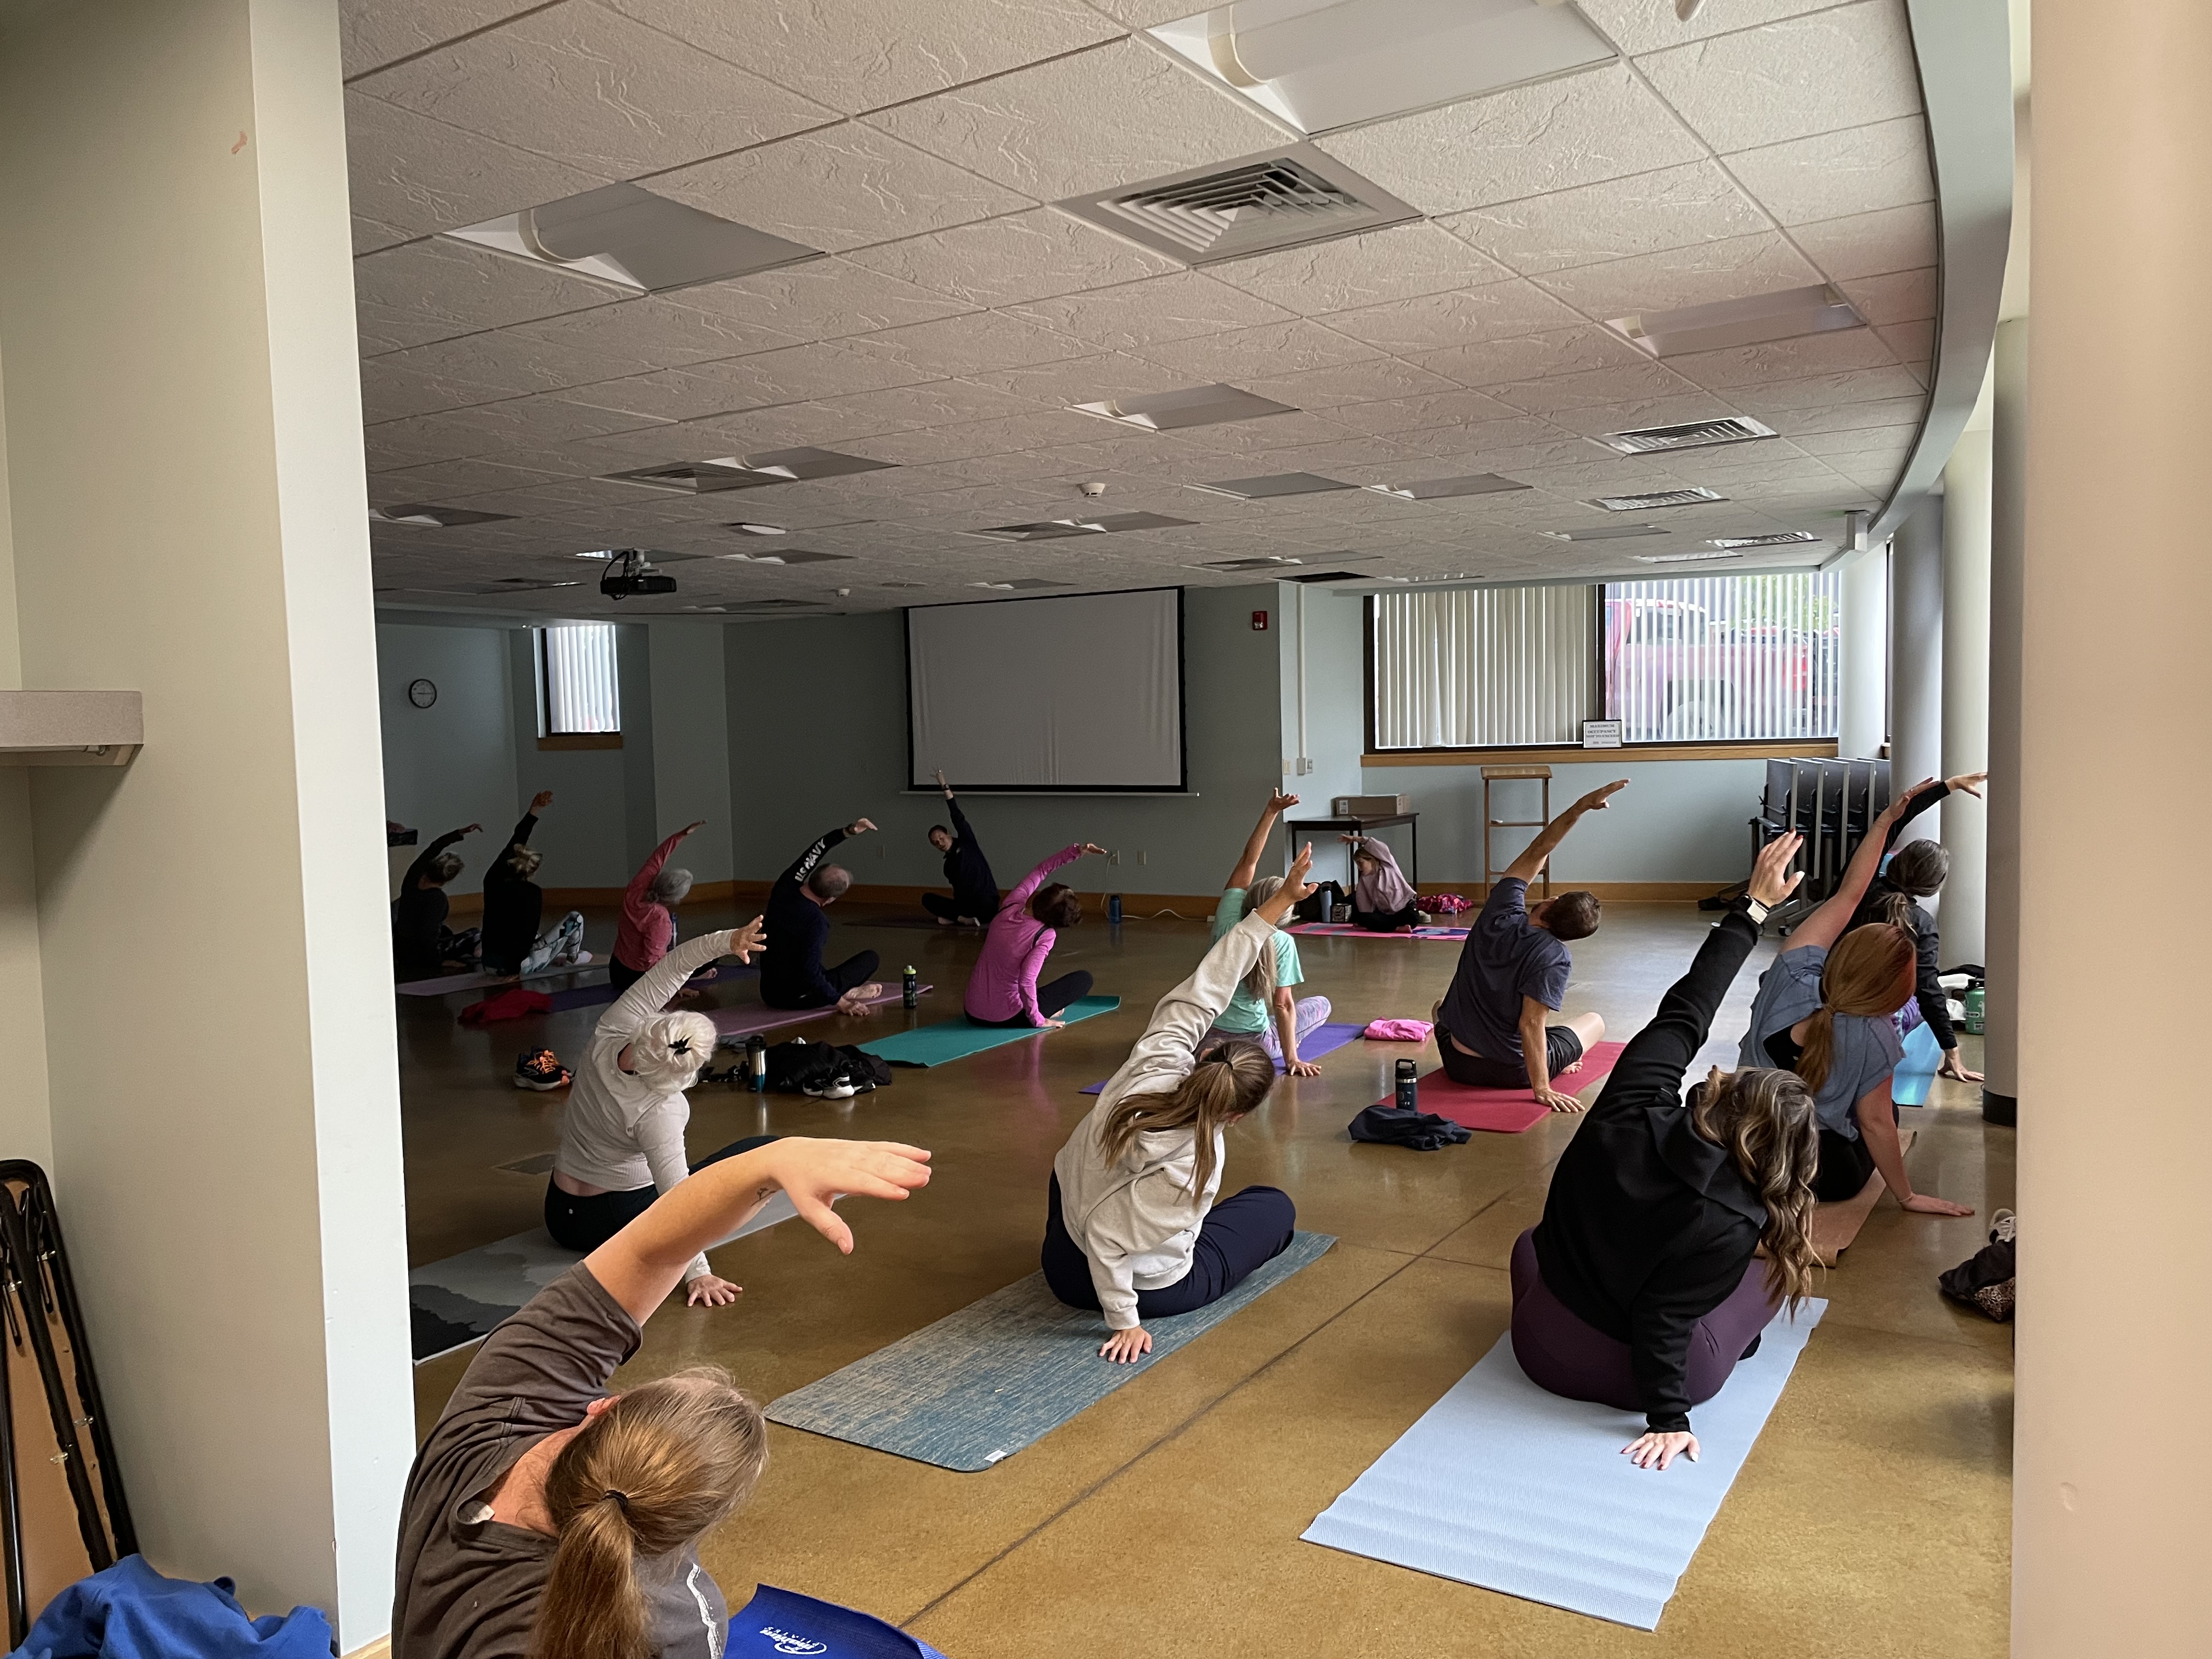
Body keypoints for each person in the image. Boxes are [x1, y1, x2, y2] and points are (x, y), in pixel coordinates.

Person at [393, 1134, 932, 1659]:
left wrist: (773, 1161)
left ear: (604, 1408)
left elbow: (652, 1248)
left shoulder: (500, 1410)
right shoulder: (674, 1628)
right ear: (680, 1535)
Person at [1514, 833, 1821, 1474]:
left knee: (1530, 1244)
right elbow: (1661, 1317)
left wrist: (1753, 909)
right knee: (1767, 1275)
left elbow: (1689, 1007)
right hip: (1633, 1378)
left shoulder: (1633, 1099)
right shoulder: (1734, 1219)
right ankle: (1723, 1353)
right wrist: (1668, 1421)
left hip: (1538, 1341)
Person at [1044, 844, 1314, 1362]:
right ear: (1237, 1115)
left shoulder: (1158, 1059)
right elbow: (1108, 1236)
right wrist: (1125, 1320)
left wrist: (1278, 900)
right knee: (1274, 1208)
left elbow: (1209, 982)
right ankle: (1145, 1289)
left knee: (1173, 1209)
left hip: (1062, 1251)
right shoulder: (1196, 1164)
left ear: (1205, 1052)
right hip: (1112, 1283)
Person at [1738, 781, 1977, 1216]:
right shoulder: (1878, 1036)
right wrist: (1907, 1197)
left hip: (1744, 1144)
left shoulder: (1789, 972)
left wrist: (1888, 819)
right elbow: (1877, 1124)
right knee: (1882, 1117)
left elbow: (1849, 894)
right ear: (1896, 988)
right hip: (1815, 1172)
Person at [545, 921, 769, 1309]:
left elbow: (674, 966)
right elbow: (677, 1197)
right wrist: (698, 1271)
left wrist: (726, 942)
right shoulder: (661, 1109)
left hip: (558, 1212)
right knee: (764, 1152)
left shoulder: (613, 1029)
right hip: (613, 1222)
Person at [1433, 782, 1625, 1110]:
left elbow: (1538, 851)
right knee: (1595, 1021)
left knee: (1440, 1007)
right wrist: (1542, 1087)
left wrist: (1579, 807)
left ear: (1549, 904)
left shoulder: (1500, 912)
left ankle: (1549, 1057)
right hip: (1512, 1073)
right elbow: (1531, 1023)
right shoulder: (1556, 956)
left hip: (1458, 1064)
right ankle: (1555, 1062)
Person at [1847, 771, 1991, 1083]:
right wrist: (1952, 1054)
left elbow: (1884, 831)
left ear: (1896, 861)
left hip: (1830, 1001)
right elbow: (1928, 992)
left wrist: (1946, 787)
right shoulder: (1921, 924)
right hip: (1878, 1022)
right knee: (1919, 998)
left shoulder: (1857, 890)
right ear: (1932, 887)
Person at [1206, 792, 1329, 1077]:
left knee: (1217, 1038)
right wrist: (1292, 1060)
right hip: (1257, 1039)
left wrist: (1272, 811)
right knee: (1321, 1005)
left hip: (1209, 1028)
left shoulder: (1228, 918)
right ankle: (1246, 1053)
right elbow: (1283, 1004)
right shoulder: (1282, 942)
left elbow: (1248, 861)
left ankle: (1213, 1051)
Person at [966, 841, 1108, 1028]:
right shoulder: (1045, 935)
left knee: (1018, 984)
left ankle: (1041, 1007)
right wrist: (1038, 1020)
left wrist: (1076, 852)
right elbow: (1026, 981)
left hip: (972, 1011)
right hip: (1008, 1017)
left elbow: (1041, 870)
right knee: (1083, 980)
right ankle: (1042, 1009)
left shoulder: (1011, 906)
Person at [759, 819, 882, 1014]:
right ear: (831, 899)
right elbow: (810, 972)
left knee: (800, 958)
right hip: (798, 997)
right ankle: (844, 993)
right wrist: (841, 1003)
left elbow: (813, 853)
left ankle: (842, 991)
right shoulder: (817, 922)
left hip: (769, 992)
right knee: (870, 959)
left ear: (812, 876)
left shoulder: (785, 887)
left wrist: (847, 832)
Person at [610, 821, 707, 996]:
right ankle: (691, 977)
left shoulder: (637, 888)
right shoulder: (660, 919)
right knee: (709, 958)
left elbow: (659, 857)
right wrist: (675, 990)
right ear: (675, 899)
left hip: (616, 970)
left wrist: (682, 834)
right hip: (637, 981)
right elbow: (652, 963)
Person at [393, 822, 481, 980]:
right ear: (450, 879)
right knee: (475, 935)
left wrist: (457, 833)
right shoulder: (436, 899)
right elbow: (428, 936)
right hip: (417, 956)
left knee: (446, 931)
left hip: (400, 947)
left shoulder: (414, 876)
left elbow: (433, 848)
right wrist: (440, 963)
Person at [481, 792, 554, 979]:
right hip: (512, 966)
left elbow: (516, 840)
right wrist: (514, 971)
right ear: (532, 871)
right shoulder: (532, 893)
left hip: (488, 963)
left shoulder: (492, 880)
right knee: (574, 919)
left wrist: (535, 810)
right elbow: (526, 935)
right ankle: (574, 956)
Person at [923, 770, 1000, 927]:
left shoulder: (967, 842)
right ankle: (962, 919)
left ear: (949, 834)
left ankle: (955, 917)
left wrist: (944, 786)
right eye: (935, 843)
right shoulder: (948, 866)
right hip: (967, 906)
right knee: (927, 899)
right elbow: (958, 893)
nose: (940, 843)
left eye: (941, 838)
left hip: (986, 902)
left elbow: (956, 814)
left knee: (986, 906)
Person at [1301, 833, 1423, 932]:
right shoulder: (1364, 880)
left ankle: (1398, 925)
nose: (1359, 867)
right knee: (1366, 919)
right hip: (1387, 915)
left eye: (1361, 863)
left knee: (1413, 918)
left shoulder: (1388, 866)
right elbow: (1364, 903)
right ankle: (1397, 928)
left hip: (1404, 910)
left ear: (1371, 859)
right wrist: (1363, 920)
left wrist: (1355, 839)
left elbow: (1378, 846)